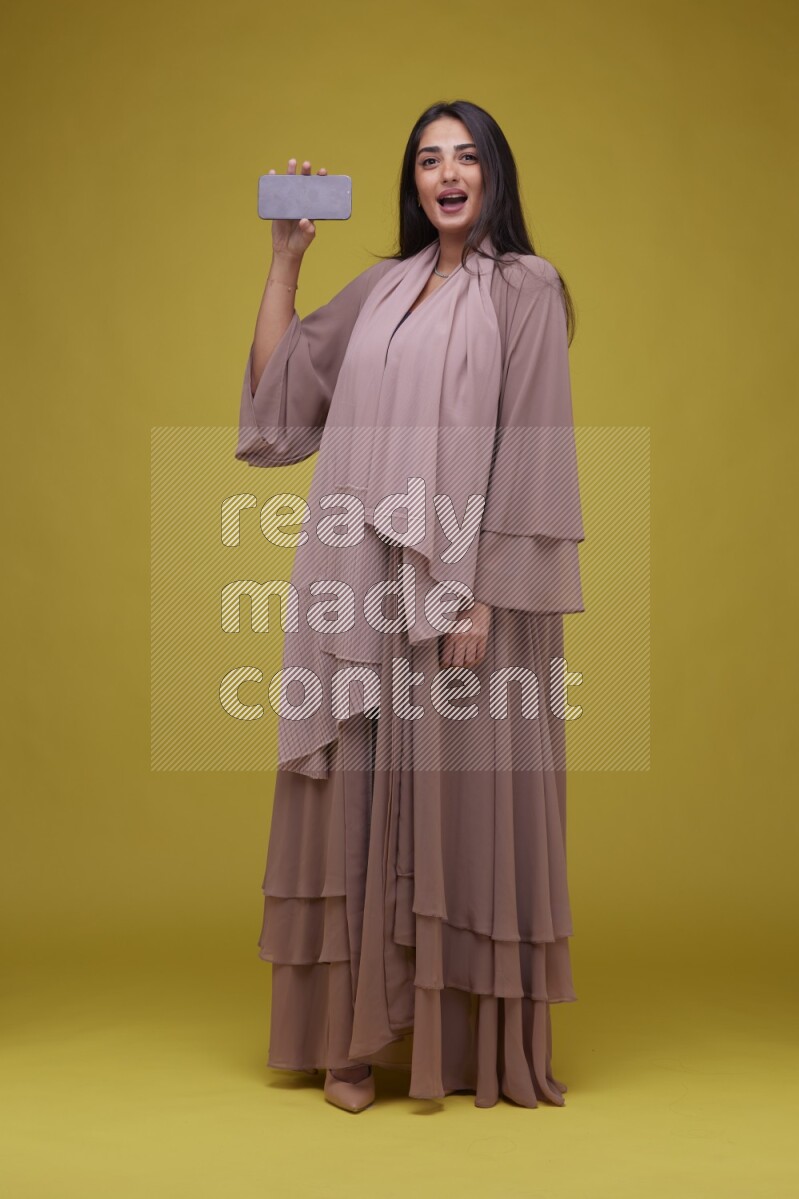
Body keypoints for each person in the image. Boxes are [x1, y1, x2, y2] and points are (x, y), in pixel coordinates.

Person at [235, 100, 585, 1113]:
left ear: (494, 173)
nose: (447, 174)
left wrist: (477, 595)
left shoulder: (524, 287)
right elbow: (280, 401)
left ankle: (450, 1039)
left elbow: (532, 442)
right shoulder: (382, 286)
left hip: (466, 587)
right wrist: (284, 263)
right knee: (355, 784)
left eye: (465, 156)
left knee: (453, 798)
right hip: (360, 580)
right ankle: (348, 1040)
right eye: (429, 159)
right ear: (413, 180)